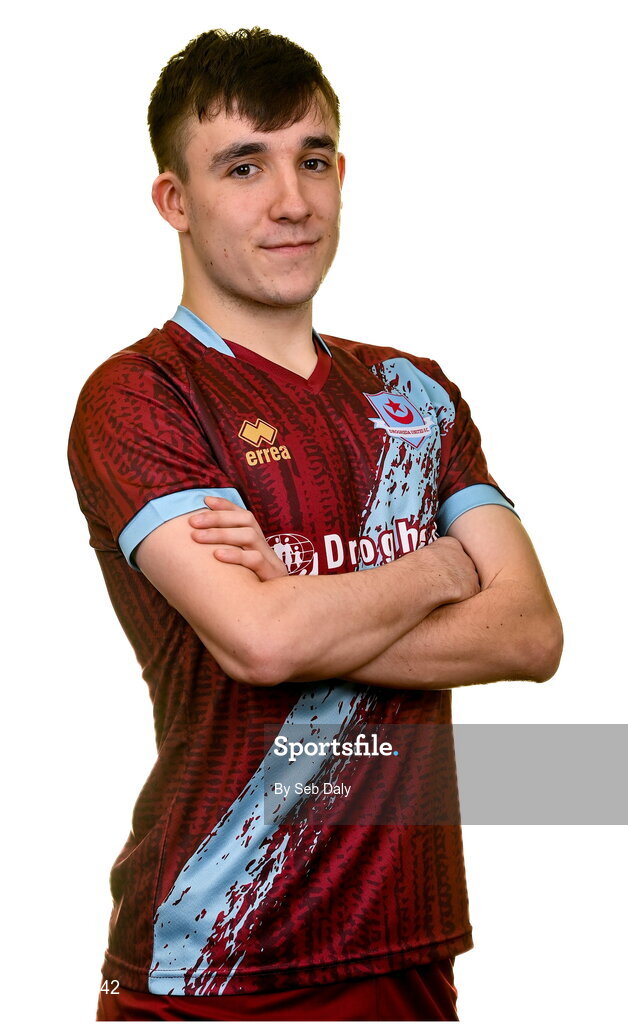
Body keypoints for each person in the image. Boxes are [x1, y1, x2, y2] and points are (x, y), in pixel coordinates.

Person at [68, 26, 563, 1022]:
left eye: (313, 159)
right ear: (174, 200)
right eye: (243, 165)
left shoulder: (413, 395)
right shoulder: (142, 395)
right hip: (215, 962)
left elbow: (531, 635)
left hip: (407, 943)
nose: (290, 200)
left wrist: (301, 606)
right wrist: (437, 565)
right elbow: (259, 642)